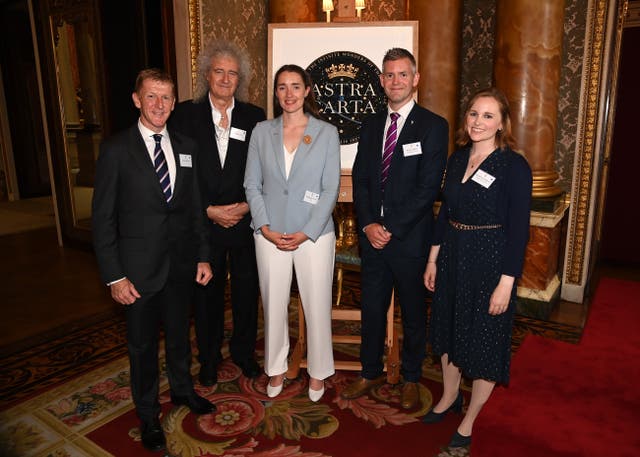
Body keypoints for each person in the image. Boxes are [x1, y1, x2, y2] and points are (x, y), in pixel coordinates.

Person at [92, 68, 216, 453]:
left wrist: (203, 256)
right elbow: (103, 219)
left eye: (166, 98)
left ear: (174, 103)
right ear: (136, 99)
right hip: (138, 272)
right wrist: (114, 276)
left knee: (180, 337)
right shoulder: (116, 150)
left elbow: (195, 208)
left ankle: (182, 390)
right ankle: (147, 413)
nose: (159, 105)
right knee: (142, 348)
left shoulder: (186, 146)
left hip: (180, 267)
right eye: (151, 97)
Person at [421, 87, 532, 448]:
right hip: (453, 254)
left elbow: (519, 231)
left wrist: (506, 282)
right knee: (450, 329)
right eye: (473, 113)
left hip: (491, 259)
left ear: (502, 123)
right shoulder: (456, 160)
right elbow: (444, 214)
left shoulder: (514, 165)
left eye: (487, 116)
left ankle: (470, 418)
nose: (478, 122)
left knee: (484, 339)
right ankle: (450, 396)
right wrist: (433, 259)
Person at [342, 48, 448, 410]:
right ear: (382, 81)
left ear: (415, 79)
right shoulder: (372, 125)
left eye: (403, 74)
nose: (396, 81)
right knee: (372, 308)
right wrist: (370, 224)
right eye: (389, 75)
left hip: (410, 239)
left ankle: (412, 376)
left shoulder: (434, 126)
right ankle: (369, 370)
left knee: (414, 312)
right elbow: (361, 181)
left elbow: (429, 188)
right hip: (373, 239)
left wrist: (390, 227)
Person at [170, 40, 266, 386]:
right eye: (219, 71)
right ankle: (209, 358)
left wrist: (244, 206)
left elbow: (263, 169)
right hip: (203, 223)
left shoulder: (254, 117)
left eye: (233, 73)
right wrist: (207, 210)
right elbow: (179, 175)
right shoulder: (184, 114)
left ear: (240, 79)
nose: (226, 79)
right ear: (206, 75)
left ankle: (243, 352)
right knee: (206, 295)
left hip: (243, 220)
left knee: (246, 290)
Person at [244, 64, 340, 402]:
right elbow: (252, 184)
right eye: (282, 87)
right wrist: (264, 226)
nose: (289, 94)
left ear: (307, 90)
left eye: (295, 86)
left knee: (316, 305)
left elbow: (330, 189)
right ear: (275, 93)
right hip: (269, 233)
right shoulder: (260, 132)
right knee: (273, 304)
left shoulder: (326, 133)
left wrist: (306, 232)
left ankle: (318, 372)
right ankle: (276, 367)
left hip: (314, 235)